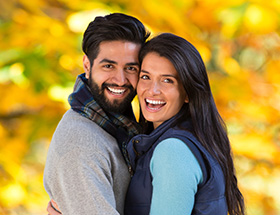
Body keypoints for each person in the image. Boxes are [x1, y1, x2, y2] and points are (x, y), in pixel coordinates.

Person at [124, 33, 245, 215]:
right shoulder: (190, 139)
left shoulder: (172, 151)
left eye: (167, 80)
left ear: (188, 93)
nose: (152, 90)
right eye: (145, 77)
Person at [43, 13, 150, 215]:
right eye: (108, 66)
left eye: (130, 68)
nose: (120, 79)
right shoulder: (82, 143)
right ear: (87, 66)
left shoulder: (120, 129)